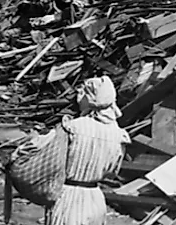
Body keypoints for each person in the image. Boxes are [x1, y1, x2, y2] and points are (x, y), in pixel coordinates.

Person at [45, 76, 130, 225]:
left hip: (69, 197)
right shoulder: (118, 135)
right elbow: (112, 172)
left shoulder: (73, 127)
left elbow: (50, 160)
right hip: (95, 199)